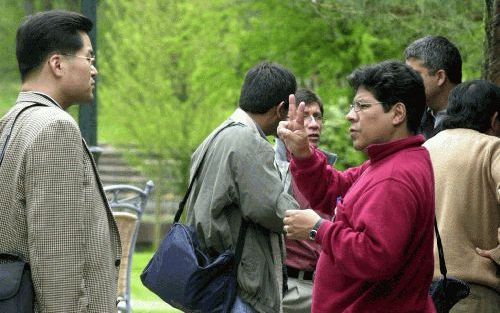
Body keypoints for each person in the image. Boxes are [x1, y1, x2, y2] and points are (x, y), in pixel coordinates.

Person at [279, 61, 436, 312]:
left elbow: (376, 256)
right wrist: (303, 154)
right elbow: (335, 188)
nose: (350, 115)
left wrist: (318, 229)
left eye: (362, 106)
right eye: (353, 106)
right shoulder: (387, 162)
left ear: (397, 113)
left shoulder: (394, 176)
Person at [0, 10, 121, 312]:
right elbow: (58, 261)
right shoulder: (55, 127)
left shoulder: (10, 123)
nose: (94, 71)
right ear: (57, 64)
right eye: (89, 59)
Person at [185, 61, 299, 313]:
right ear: (281, 108)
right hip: (237, 285)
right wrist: (285, 155)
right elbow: (278, 211)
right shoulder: (249, 142)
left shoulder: (216, 135)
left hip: (212, 276)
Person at [423, 80, 500, 312]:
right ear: (495, 119)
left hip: (420, 296)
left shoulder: (423, 150)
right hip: (473, 296)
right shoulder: (492, 148)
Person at [274, 88, 336, 313]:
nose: (313, 124)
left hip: (322, 288)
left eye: (317, 116)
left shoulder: (329, 171)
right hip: (288, 288)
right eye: (304, 116)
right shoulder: (275, 167)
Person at [404, 35, 462, 139]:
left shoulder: (476, 122)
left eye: (414, 74)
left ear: (440, 77)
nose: (407, 80)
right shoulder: (410, 120)